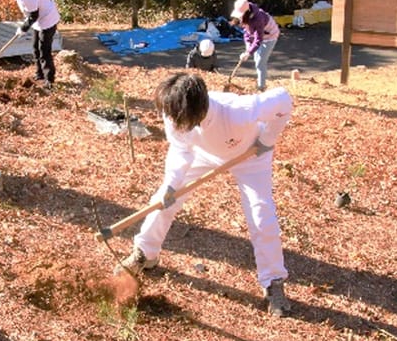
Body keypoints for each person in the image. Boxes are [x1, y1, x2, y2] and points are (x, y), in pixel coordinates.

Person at [115, 73, 294, 317]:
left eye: (179, 118)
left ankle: (273, 281)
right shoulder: (173, 110)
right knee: (163, 201)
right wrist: (171, 186)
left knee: (261, 215)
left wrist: (267, 138)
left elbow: (283, 100)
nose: (172, 121)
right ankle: (145, 253)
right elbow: (180, 150)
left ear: (199, 111)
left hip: (250, 154)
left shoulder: (238, 110)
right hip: (203, 154)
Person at [0, 0, 61, 89]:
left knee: (44, 51)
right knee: (36, 48)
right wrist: (25, 25)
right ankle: (39, 74)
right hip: (39, 20)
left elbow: (33, 15)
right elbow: (31, 14)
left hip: (48, 19)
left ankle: (49, 80)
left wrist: (23, 28)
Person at [231, 0, 280, 92]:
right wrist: (248, 47)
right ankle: (260, 79)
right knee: (257, 58)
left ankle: (261, 87)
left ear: (246, 12)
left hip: (270, 36)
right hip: (260, 35)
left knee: (260, 62)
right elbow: (246, 32)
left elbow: (258, 40)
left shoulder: (258, 19)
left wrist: (249, 52)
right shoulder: (246, 15)